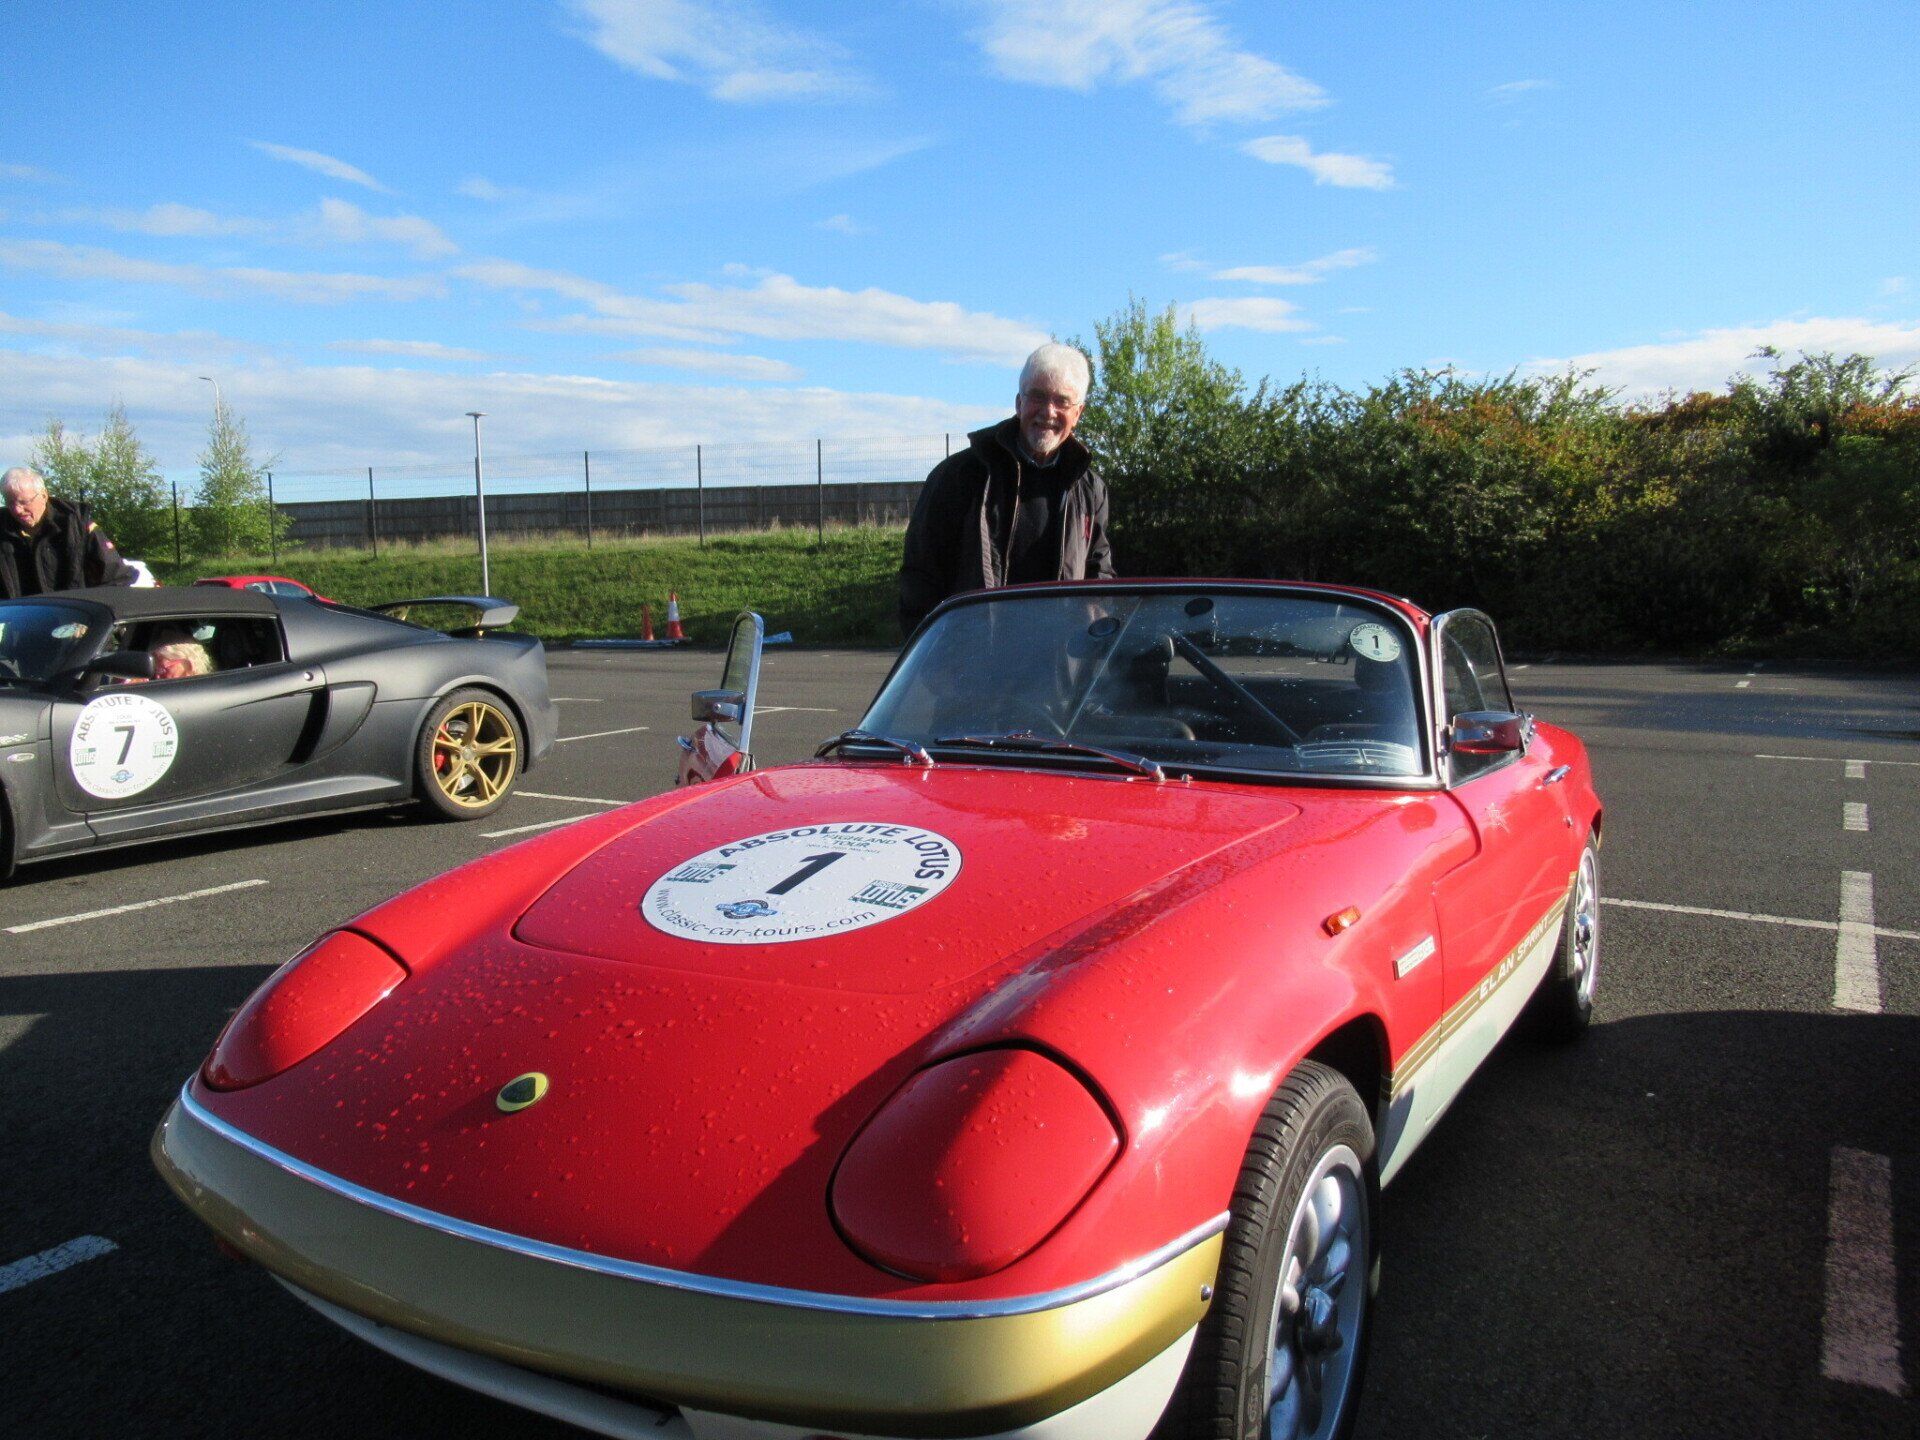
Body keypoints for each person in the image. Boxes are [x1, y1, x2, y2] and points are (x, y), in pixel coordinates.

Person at [897, 343, 1114, 634]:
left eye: (1062, 401)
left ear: (1078, 413)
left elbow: (1099, 574)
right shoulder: (959, 476)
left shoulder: (1090, 490)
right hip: (976, 663)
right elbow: (920, 577)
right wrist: (935, 660)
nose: (1048, 412)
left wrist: (1095, 637)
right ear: (1018, 403)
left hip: (1059, 664)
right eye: (1037, 396)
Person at [1, 466, 138, 598]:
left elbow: (116, 577)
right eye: (10, 502)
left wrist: (92, 612)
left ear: (44, 495)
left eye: (24, 502)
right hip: (18, 618)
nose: (17, 509)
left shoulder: (77, 525)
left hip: (74, 616)